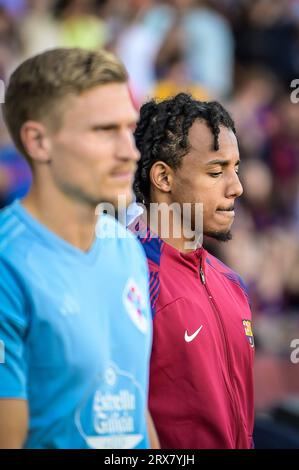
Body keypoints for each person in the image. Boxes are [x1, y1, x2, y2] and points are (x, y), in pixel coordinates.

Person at [0, 47, 157, 449]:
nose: (130, 151)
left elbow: (136, 409)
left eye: (130, 128)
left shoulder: (127, 249)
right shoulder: (7, 263)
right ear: (38, 141)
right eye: (105, 131)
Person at [130, 93, 254, 449]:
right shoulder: (126, 276)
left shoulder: (232, 284)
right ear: (163, 178)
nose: (237, 187)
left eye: (236, 168)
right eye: (216, 172)